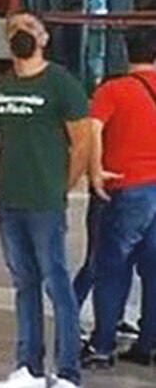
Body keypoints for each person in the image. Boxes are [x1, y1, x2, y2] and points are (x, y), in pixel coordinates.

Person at [0, 12, 89, 388]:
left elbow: (82, 142)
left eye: (29, 28)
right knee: (23, 284)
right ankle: (28, 367)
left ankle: (67, 373)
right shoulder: (2, 85)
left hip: (44, 202)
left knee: (56, 283)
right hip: (9, 200)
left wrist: (62, 186)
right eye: (14, 29)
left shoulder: (61, 83)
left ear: (43, 37)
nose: (21, 34)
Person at [83, 27, 156, 368]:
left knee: (112, 268)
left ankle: (102, 345)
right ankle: (148, 343)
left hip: (125, 188)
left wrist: (95, 170)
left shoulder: (112, 90)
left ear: (127, 53)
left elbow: (93, 130)